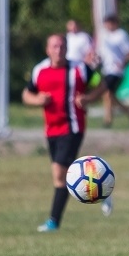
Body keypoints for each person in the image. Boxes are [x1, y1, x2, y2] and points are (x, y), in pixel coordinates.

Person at [22, 33, 106, 232]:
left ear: (67, 49)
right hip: (51, 129)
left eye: (61, 46)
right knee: (63, 176)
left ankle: (53, 222)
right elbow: (26, 94)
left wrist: (88, 98)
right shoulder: (39, 70)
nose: (58, 50)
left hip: (72, 127)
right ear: (47, 49)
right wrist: (37, 100)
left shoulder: (80, 68)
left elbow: (102, 84)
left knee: (59, 175)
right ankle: (100, 187)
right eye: (54, 46)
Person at [97, 14, 129, 128]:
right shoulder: (104, 36)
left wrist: (123, 63)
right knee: (108, 95)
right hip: (106, 69)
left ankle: (108, 120)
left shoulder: (121, 35)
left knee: (107, 93)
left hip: (116, 70)